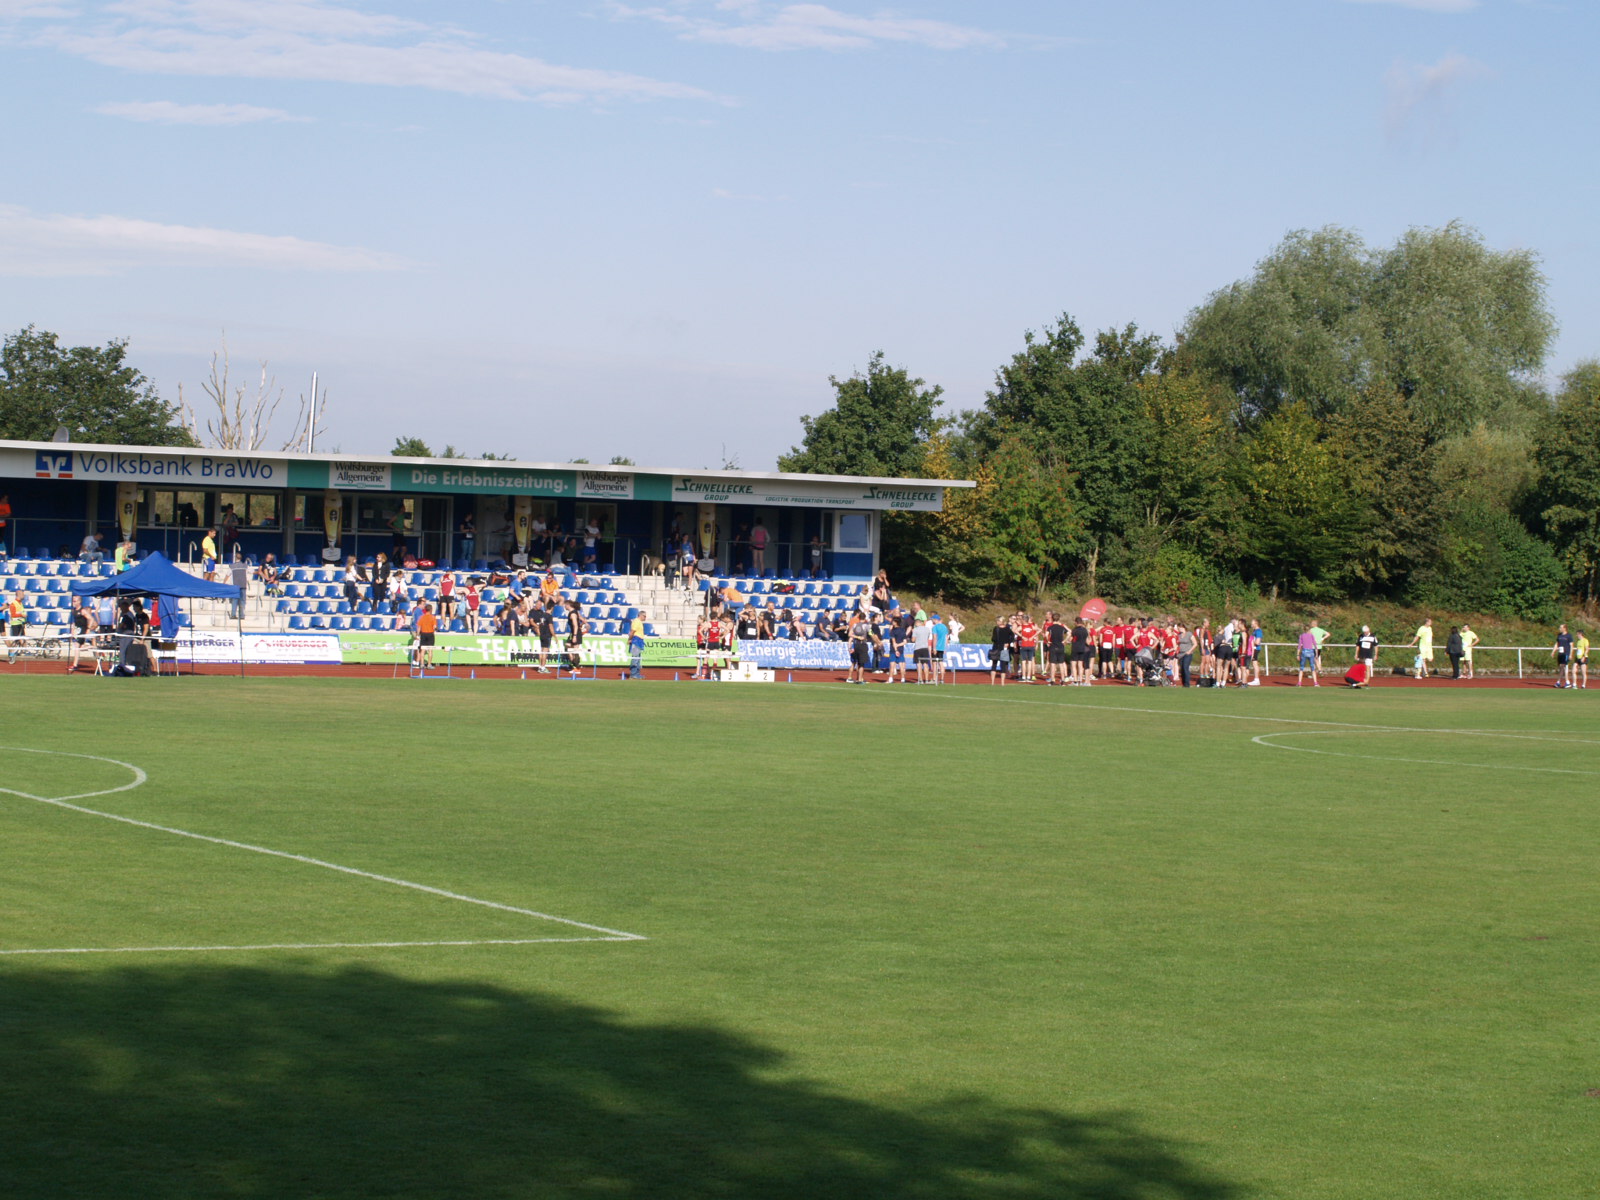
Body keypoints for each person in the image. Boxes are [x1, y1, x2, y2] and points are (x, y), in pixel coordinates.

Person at [66, 597, 96, 673]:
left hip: (82, 630)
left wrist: (88, 628)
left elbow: (91, 619)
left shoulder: (82, 611)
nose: (73, 603)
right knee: (79, 647)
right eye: (73, 601)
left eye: (75, 601)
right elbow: (74, 622)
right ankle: (92, 647)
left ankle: (75, 665)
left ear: (79, 602)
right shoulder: (74, 611)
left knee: (77, 646)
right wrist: (72, 631)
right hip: (77, 630)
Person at [988, 615, 1013, 686]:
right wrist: (1008, 642)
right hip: (1002, 648)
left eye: (998, 621)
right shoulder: (1006, 628)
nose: (997, 622)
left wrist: (1007, 643)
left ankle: (994, 682)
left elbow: (993, 639)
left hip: (998, 648)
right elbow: (1012, 636)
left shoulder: (997, 629)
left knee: (995, 664)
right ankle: (1001, 683)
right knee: (1001, 665)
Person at [413, 601, 438, 669]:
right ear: (431, 610)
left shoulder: (422, 617)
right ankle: (429, 664)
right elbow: (434, 627)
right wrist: (436, 628)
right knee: (430, 650)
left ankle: (422, 664)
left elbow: (419, 627)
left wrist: (417, 635)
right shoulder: (433, 617)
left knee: (422, 650)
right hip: (430, 634)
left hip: (423, 634)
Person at [1553, 623, 1574, 688]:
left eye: (1560, 627)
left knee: (1564, 667)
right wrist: (1553, 651)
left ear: (1564, 628)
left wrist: (1570, 654)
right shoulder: (1559, 635)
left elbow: (1571, 646)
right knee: (1561, 667)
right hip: (1560, 654)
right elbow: (1557, 644)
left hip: (1566, 654)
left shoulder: (1569, 636)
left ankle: (1567, 682)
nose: (1559, 629)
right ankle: (1559, 682)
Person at [628, 609, 647, 679]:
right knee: (635, 658)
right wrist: (629, 639)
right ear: (640, 615)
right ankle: (633, 674)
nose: (645, 618)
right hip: (636, 640)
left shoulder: (639, 622)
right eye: (644, 616)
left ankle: (637, 673)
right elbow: (632, 631)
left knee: (638, 658)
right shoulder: (636, 621)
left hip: (639, 641)